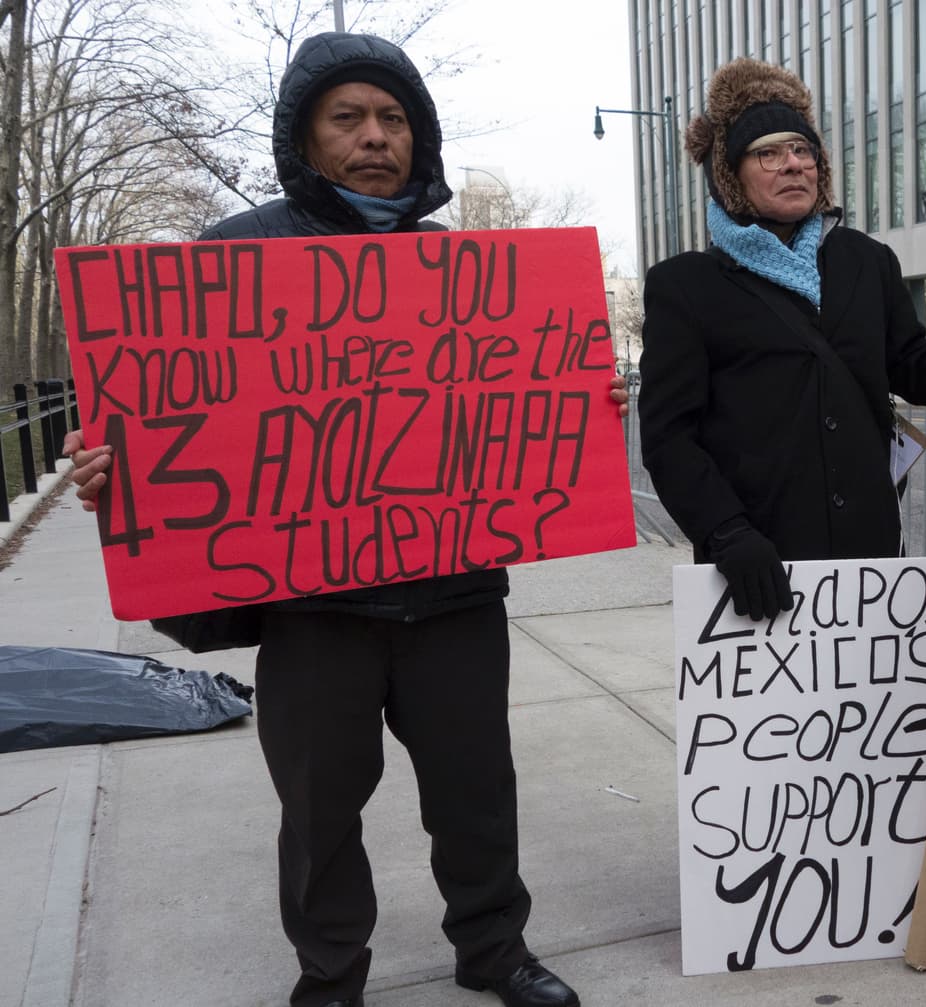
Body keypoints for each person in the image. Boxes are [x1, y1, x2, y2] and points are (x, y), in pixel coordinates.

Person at [63, 31, 627, 1007]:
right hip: (313, 609)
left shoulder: (472, 274)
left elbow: (508, 420)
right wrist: (119, 468)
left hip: (452, 599)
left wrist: (577, 406)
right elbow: (172, 422)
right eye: (349, 117)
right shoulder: (229, 261)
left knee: (476, 797)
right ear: (306, 135)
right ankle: (330, 975)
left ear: (420, 137)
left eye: (394, 118)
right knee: (320, 811)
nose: (375, 137)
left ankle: (493, 951)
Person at [638, 57, 926, 621]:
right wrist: (727, 533)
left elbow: (918, 368)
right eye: (768, 153)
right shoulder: (685, 286)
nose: (793, 165)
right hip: (756, 567)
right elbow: (669, 438)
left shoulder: (867, 261)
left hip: (871, 561)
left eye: (803, 151)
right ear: (730, 175)